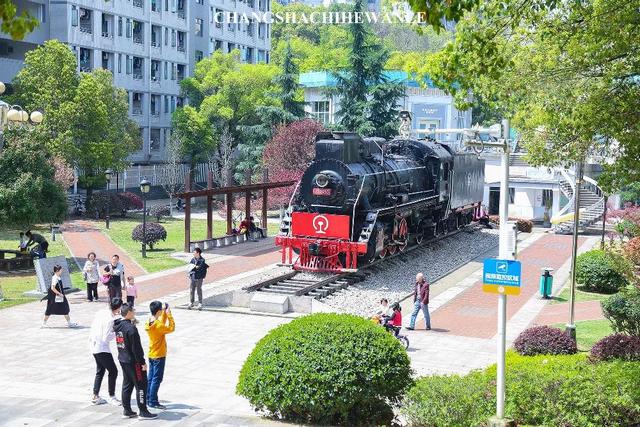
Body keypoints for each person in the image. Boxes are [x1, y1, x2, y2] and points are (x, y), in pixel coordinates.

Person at [113, 304, 157, 419]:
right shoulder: (131, 329)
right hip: (134, 362)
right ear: (128, 313)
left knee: (127, 384)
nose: (134, 312)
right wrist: (142, 363)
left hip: (123, 359)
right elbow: (136, 349)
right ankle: (143, 411)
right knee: (141, 385)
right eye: (133, 310)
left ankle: (127, 410)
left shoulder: (119, 326)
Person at [88, 298, 123, 406]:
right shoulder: (110, 320)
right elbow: (106, 338)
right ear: (118, 308)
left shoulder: (101, 312)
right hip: (101, 348)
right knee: (113, 371)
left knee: (101, 369)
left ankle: (95, 395)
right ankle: (112, 396)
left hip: (92, 344)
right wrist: (116, 331)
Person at [145, 301, 176, 410]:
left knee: (151, 378)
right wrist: (169, 315)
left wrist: (164, 314)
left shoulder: (150, 321)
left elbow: (160, 324)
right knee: (157, 379)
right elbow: (171, 328)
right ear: (158, 311)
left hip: (152, 353)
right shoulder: (158, 326)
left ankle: (148, 398)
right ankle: (153, 401)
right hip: (159, 355)